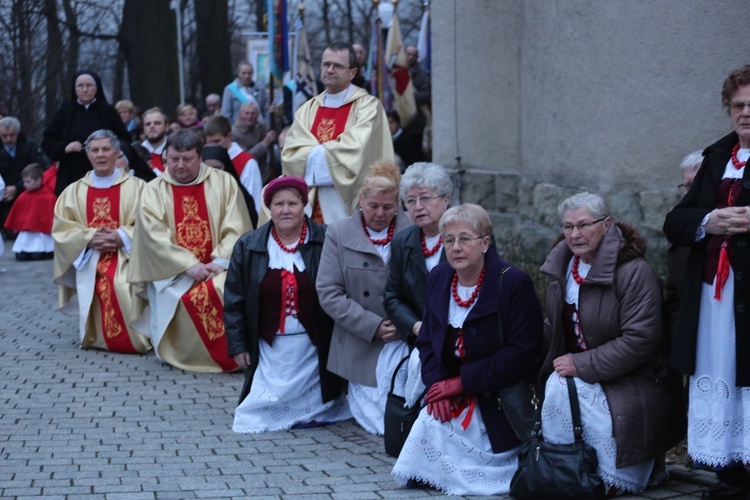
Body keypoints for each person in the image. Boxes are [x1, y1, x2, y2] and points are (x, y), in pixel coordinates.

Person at [392, 204, 543, 495]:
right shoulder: (439, 277)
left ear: (485, 243)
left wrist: (461, 383)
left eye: (465, 239)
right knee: (429, 423)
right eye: (449, 240)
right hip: (451, 388)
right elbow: (428, 342)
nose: (456, 247)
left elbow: (522, 352)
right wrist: (438, 386)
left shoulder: (512, 282)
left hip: (497, 394)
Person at [540, 192, 681, 495]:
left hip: (638, 378)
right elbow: (553, 329)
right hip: (585, 373)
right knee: (556, 386)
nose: (574, 235)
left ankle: (615, 475)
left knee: (565, 385)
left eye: (583, 225)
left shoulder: (633, 271)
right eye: (567, 227)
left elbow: (641, 339)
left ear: (606, 224)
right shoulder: (561, 268)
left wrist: (580, 363)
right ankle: (566, 469)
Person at [663, 66, 750, 499]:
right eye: (739, 105)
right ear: (728, 109)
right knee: (721, 371)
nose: (747, 112)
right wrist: (710, 219)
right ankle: (729, 472)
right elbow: (674, 221)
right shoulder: (716, 158)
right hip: (714, 299)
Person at [224, 176, 350, 432]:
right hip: (270, 347)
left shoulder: (326, 240)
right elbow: (234, 300)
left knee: (320, 400)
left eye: (292, 203)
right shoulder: (249, 246)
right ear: (269, 208)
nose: (285, 210)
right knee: (254, 414)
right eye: (278, 204)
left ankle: (318, 410)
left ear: (304, 205)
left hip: (314, 347)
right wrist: (239, 345)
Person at [128, 130, 252, 372]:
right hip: (174, 272)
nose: (179, 165)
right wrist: (188, 265)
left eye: (187, 159)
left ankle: (233, 354)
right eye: (173, 159)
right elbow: (153, 236)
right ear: (165, 157)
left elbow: (236, 226)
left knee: (223, 287)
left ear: (200, 157)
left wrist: (218, 262)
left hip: (217, 268)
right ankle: (179, 351)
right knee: (180, 296)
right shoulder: (152, 190)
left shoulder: (223, 182)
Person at [317, 161, 412, 435]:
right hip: (360, 342)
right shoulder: (338, 232)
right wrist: (373, 326)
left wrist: (404, 324)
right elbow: (329, 292)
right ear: (361, 200)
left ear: (398, 204)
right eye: (373, 206)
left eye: (388, 207)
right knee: (381, 422)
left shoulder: (412, 232)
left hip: (403, 338)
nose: (380, 214)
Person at [52, 129, 150, 354]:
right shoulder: (74, 191)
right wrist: (89, 238)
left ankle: (136, 339)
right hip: (89, 257)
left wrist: (122, 236)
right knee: (96, 281)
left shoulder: (139, 187)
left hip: (128, 256)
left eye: (106, 149)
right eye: (94, 150)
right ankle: (96, 336)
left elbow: (154, 225)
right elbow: (61, 229)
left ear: (117, 153)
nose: (100, 154)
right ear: (88, 155)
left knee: (121, 283)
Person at [282, 41, 394, 224]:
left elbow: (357, 154)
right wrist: (330, 154)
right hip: (308, 206)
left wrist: (311, 156)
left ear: (353, 72)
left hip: (345, 206)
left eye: (338, 66)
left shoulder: (368, 107)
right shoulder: (307, 109)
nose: (330, 70)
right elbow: (290, 155)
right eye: (326, 64)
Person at [384, 163, 451, 345]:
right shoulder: (402, 242)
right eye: (411, 200)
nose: (418, 206)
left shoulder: (468, 235)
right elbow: (393, 296)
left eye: (425, 198)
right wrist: (415, 326)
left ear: (446, 200)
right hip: (419, 341)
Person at [42, 70, 131, 196]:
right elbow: (48, 141)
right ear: (74, 88)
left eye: (89, 85)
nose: (84, 89)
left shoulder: (107, 111)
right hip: (71, 174)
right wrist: (65, 148)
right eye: (80, 86)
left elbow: (124, 139)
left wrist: (113, 152)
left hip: (104, 172)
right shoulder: (65, 111)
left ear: (97, 88)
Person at [663, 150, 702, 345]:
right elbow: (673, 297)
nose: (692, 193)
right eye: (688, 186)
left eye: (699, 184)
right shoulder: (680, 233)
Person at [204, 116, 262, 216]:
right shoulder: (205, 160)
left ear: (229, 136)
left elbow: (253, 200)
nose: (212, 146)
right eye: (209, 142)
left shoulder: (247, 163)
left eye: (217, 141)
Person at [0, 116, 47, 232]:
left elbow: (40, 168)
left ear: (18, 133)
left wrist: (17, 187)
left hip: (25, 189)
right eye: (4, 136)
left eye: (12, 135)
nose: (8, 139)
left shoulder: (30, 145)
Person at [3, 163, 56, 260]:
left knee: (37, 256)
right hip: (27, 235)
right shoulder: (23, 196)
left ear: (39, 180)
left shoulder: (48, 197)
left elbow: (51, 218)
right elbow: (17, 214)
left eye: (28, 182)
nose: (24, 185)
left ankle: (47, 252)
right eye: (24, 182)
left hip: (42, 235)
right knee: (21, 256)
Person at [201, 145, 258, 228]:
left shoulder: (237, 191)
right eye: (207, 168)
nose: (212, 172)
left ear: (225, 166)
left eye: (217, 168)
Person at [231, 102, 276, 184]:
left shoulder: (260, 127)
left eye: (253, 114)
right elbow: (245, 157)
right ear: (240, 115)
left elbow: (275, 134)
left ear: (257, 115)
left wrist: (273, 115)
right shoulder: (234, 133)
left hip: (263, 172)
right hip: (245, 173)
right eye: (246, 113)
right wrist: (264, 143)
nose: (249, 117)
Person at [404, 45, 431, 161]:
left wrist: (409, 96)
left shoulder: (423, 75)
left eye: (413, 55)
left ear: (417, 57)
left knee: (418, 157)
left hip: (417, 124)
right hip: (402, 123)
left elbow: (426, 95)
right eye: (408, 54)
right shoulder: (399, 74)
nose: (411, 57)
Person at [140, 107, 168, 176]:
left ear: (167, 127)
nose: (152, 126)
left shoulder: (176, 151)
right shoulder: (135, 152)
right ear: (143, 128)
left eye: (157, 123)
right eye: (148, 124)